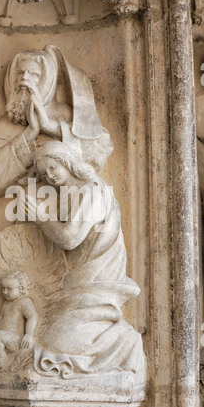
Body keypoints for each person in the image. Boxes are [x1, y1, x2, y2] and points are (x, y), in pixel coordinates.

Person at [28, 141, 146, 379]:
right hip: (82, 281)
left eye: (52, 167)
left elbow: (70, 238)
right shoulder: (74, 194)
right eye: (42, 174)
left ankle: (123, 340)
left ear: (66, 161)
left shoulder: (90, 191)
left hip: (98, 281)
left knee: (55, 343)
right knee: (49, 339)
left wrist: (41, 217)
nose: (48, 176)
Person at [0, 45, 113, 199]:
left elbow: (100, 149)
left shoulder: (63, 114)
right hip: (25, 204)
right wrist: (30, 133)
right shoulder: (4, 124)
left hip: (69, 203)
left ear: (45, 81)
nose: (24, 78)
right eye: (20, 72)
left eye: (33, 74)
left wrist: (49, 126)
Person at [0, 270, 39, 369]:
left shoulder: (24, 301)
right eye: (3, 288)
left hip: (15, 339)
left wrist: (29, 334)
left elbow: (33, 316)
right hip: (2, 336)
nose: (5, 292)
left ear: (21, 289)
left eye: (9, 289)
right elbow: (0, 317)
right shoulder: (6, 303)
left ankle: (2, 358)